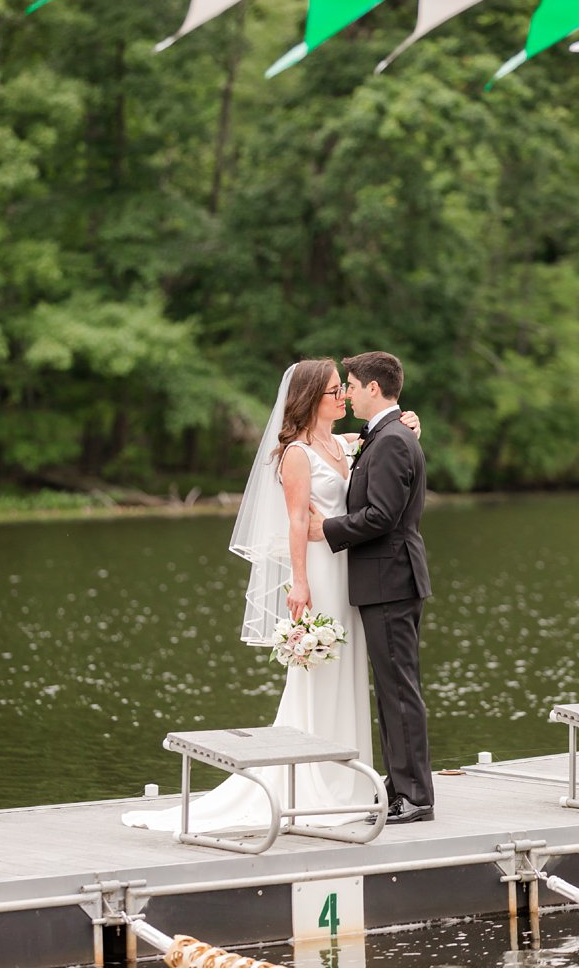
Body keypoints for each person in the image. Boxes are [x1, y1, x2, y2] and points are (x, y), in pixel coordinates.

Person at [123, 360, 417, 835]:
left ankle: (352, 778)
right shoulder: (297, 453)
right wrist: (299, 582)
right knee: (320, 673)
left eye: (344, 389)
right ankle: (313, 782)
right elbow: (297, 522)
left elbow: (386, 440)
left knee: (349, 669)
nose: (343, 397)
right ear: (309, 399)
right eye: (333, 392)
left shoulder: (344, 443)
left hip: (350, 571)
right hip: (320, 571)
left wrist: (410, 420)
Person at [309, 350, 434, 825]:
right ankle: (401, 783)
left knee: (399, 690)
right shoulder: (384, 436)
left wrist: (329, 530)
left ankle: (416, 796)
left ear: (374, 389)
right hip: (387, 579)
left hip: (390, 578)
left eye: (352, 385)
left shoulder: (391, 442)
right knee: (393, 688)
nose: (347, 392)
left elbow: (382, 516)